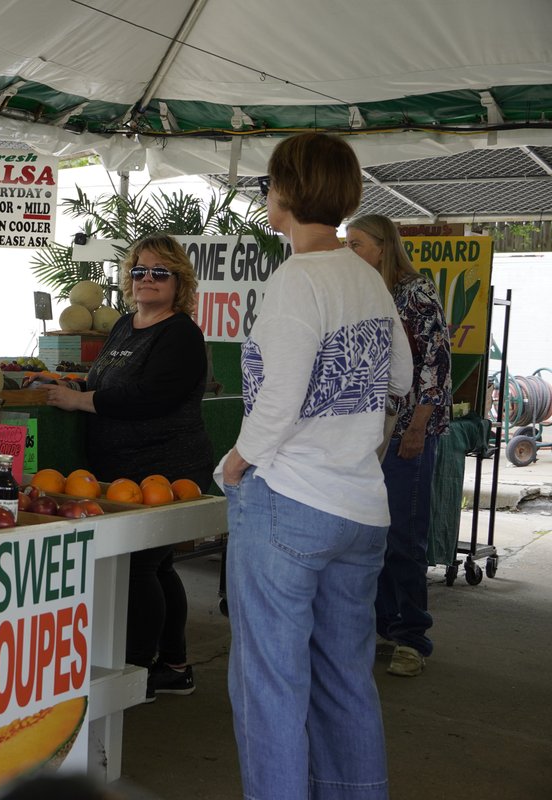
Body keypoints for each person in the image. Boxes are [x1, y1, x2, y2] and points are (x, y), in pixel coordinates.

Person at [217, 132, 412, 800]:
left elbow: (281, 396)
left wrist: (237, 462)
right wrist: (358, 438)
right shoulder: (364, 275)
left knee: (270, 685)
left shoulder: (298, 279)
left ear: (286, 194)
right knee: (345, 680)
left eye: (269, 185)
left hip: (290, 504)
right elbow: (401, 376)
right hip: (360, 507)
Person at [43, 234, 213, 701]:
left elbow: (148, 397)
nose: (148, 280)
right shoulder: (124, 325)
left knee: (140, 567)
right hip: (119, 471)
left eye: (160, 272)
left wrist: (81, 400)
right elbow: (109, 380)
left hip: (164, 472)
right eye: (140, 271)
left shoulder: (180, 333)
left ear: (179, 281)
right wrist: (72, 382)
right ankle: (174, 666)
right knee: (156, 569)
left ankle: (138, 673)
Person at [347, 213, 452, 677]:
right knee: (374, 533)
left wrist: (417, 427)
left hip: (409, 430)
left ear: (384, 247)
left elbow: (436, 364)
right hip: (370, 433)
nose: (350, 253)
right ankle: (383, 625)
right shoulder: (368, 293)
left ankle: (412, 636)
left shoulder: (417, 292)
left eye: (357, 244)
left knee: (405, 536)